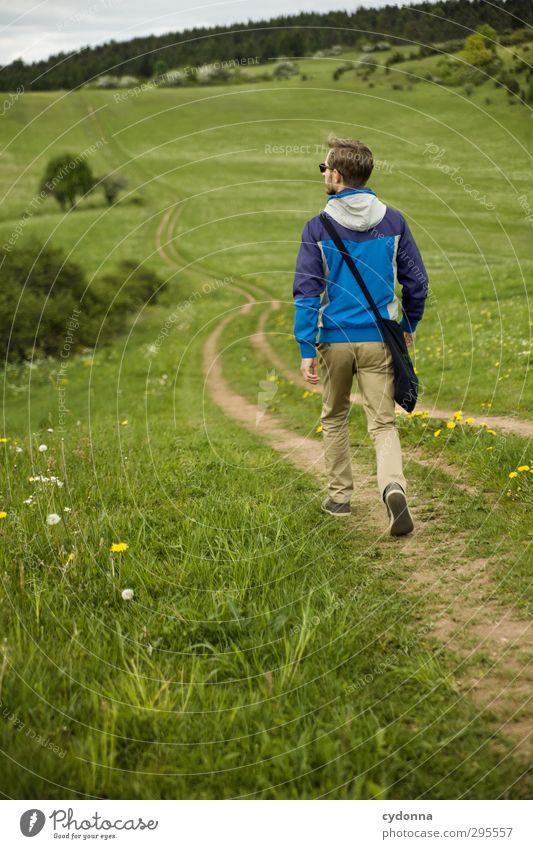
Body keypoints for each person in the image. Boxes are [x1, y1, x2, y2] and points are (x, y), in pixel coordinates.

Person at [292, 136, 428, 536]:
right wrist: (408, 325)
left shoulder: (317, 227)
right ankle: (392, 487)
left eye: (324, 169)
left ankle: (340, 498)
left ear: (336, 175)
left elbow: (306, 293)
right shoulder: (394, 221)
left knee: (334, 417)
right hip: (379, 340)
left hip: (334, 340)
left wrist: (305, 345)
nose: (323, 175)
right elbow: (417, 283)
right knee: (382, 423)